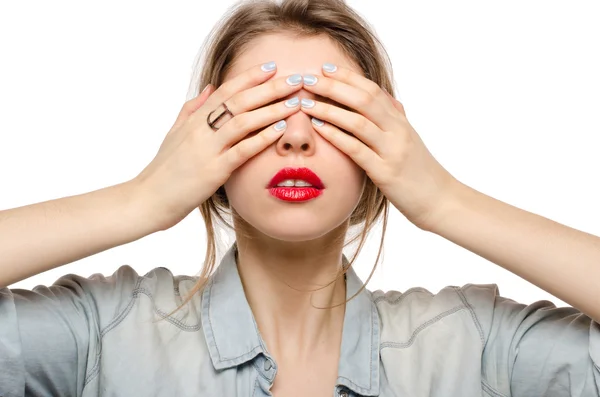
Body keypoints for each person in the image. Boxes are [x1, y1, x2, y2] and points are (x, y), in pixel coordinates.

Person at [1, 0, 599, 396]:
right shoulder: (103, 333)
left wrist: (445, 201)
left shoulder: (473, 345)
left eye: (333, 113)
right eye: (261, 113)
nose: (294, 136)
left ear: (380, 152)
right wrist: (141, 200)